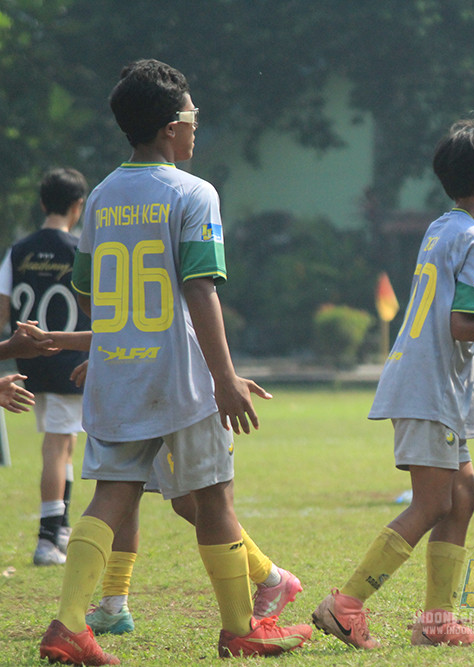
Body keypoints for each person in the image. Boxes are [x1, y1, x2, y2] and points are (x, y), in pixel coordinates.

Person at [38, 59, 311, 665]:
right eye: (192, 117)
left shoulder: (102, 196)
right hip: (181, 377)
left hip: (120, 373)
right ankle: (242, 627)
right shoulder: (194, 193)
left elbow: (90, 291)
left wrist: (108, 350)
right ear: (169, 127)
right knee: (214, 499)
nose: (196, 127)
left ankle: (68, 625)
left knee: (110, 494)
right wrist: (225, 379)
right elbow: (200, 290)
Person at [312, 118, 474, 650]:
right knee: (431, 502)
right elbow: (462, 326)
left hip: (428, 385)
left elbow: (467, 305)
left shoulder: (443, 227)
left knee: (463, 494)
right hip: (431, 388)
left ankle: (437, 620)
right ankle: (346, 605)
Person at [19, 325, 303, 635]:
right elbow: (129, 325)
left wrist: (223, 376)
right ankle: (114, 603)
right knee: (124, 488)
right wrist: (108, 356)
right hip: (140, 382)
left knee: (193, 500)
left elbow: (175, 321)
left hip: (176, 391)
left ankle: (271, 578)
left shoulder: (172, 282)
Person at [0, 167, 91, 566]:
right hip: (72, 361)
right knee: (57, 445)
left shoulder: (18, 250)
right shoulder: (80, 251)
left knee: (65, 441)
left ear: (42, 203)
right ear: (78, 206)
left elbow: (3, 308)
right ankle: (47, 538)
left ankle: (62, 528)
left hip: (30, 360)